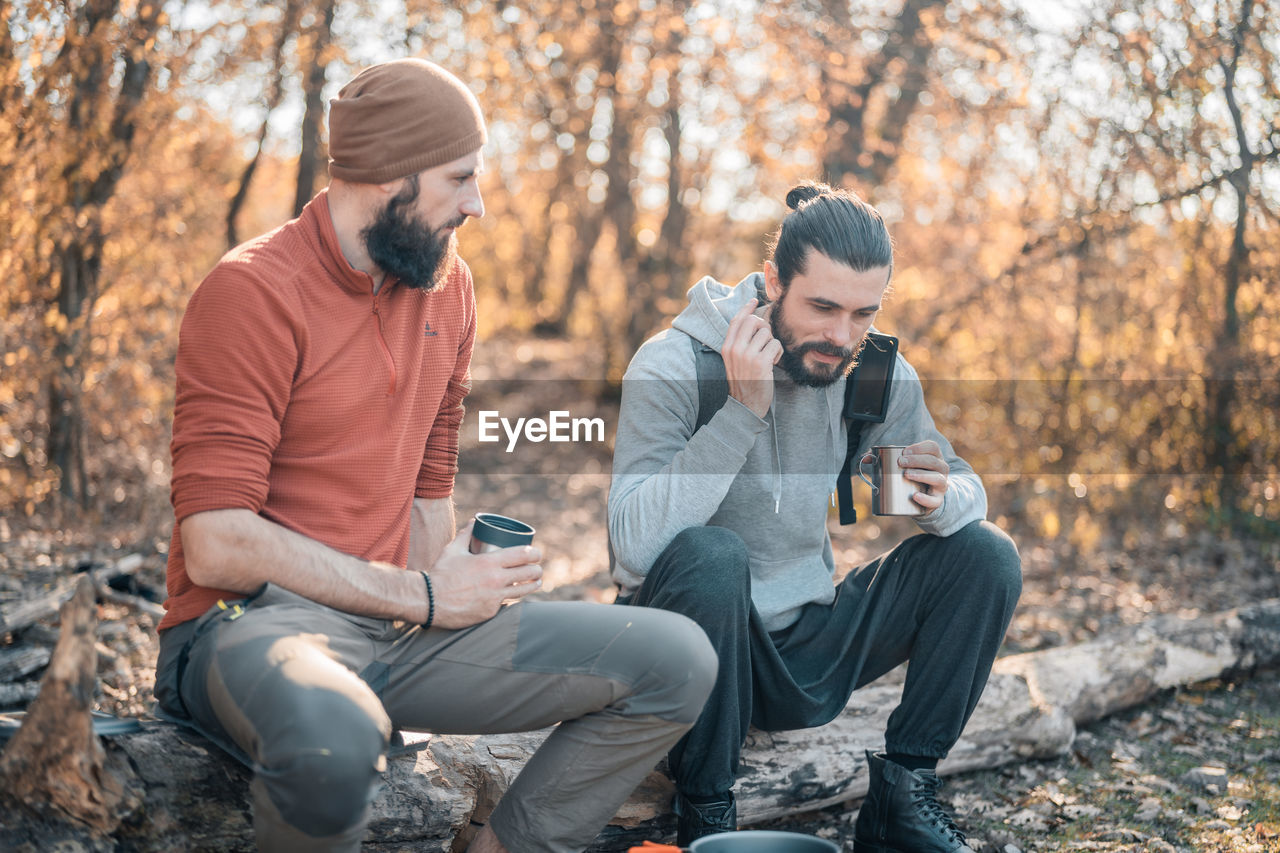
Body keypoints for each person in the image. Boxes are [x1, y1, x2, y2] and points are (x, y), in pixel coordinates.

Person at [152, 58, 716, 853]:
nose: (476, 203)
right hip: (248, 631)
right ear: (390, 174)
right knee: (332, 736)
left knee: (678, 659)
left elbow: (427, 486)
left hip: (394, 628)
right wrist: (421, 593)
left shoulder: (447, 287)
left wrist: (466, 585)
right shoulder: (252, 291)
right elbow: (216, 541)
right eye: (460, 177)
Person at [608, 183, 1022, 852]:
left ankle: (904, 797)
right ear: (773, 281)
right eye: (823, 306)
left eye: (863, 313)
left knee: (987, 554)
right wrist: (741, 413)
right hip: (688, 659)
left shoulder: (871, 373)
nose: (841, 335)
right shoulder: (675, 362)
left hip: (804, 646)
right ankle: (707, 813)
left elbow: (966, 487)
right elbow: (631, 550)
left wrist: (938, 497)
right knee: (714, 556)